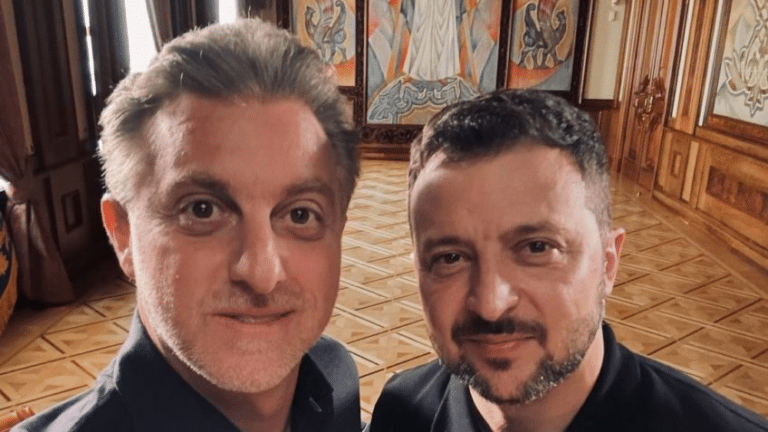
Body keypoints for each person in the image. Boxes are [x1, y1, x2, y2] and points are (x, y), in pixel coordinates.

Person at [15, 18, 361, 432]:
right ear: (122, 234)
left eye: (300, 215)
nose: (261, 274)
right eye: (202, 210)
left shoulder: (335, 375)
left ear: (339, 228)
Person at [366, 89, 768, 432]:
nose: (490, 304)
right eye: (450, 258)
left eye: (537, 248)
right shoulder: (401, 414)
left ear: (608, 264)